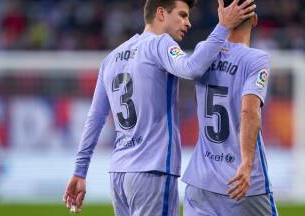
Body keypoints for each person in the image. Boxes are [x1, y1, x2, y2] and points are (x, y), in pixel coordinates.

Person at [63, 0, 256, 215]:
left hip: (119, 175)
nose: (188, 23)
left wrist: (80, 172)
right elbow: (192, 69)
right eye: (182, 15)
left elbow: (95, 119)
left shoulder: (111, 58)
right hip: (152, 172)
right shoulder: (159, 44)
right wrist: (223, 27)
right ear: (161, 14)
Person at [182, 0, 278, 215]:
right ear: (254, 20)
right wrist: (246, 164)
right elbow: (249, 111)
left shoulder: (202, 53)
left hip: (201, 179)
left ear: (221, 15)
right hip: (241, 182)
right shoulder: (256, 59)